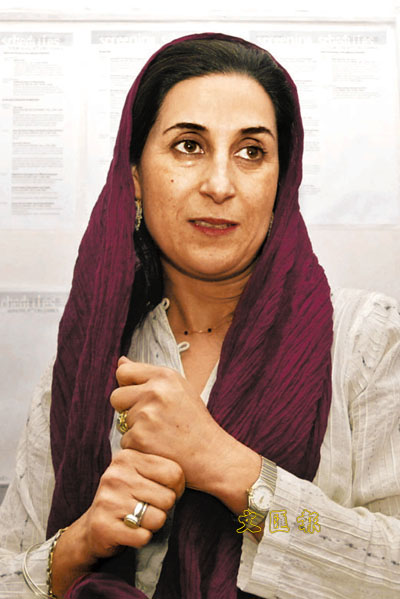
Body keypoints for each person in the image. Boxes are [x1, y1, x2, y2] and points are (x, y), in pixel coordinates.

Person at [1, 31, 400, 599]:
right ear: (135, 180)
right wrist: (78, 545)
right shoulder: (90, 363)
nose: (219, 184)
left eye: (251, 152)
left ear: (281, 183)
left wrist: (230, 469)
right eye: (189, 145)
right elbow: (12, 562)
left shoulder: (366, 341)